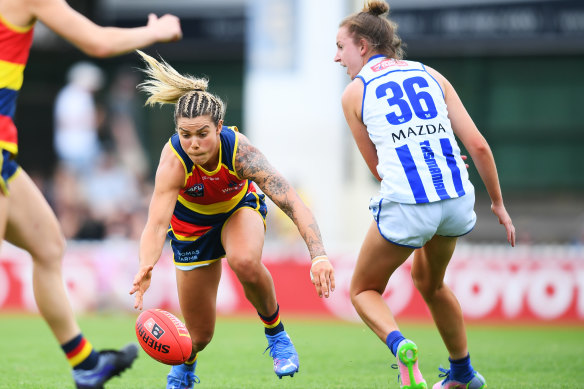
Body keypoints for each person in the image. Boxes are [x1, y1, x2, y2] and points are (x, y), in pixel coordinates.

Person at [0, 0, 182, 387]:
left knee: (48, 246)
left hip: (6, 156)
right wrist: (155, 31)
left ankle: (86, 364)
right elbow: (97, 42)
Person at [334, 1, 515, 388]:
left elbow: (379, 169)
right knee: (430, 282)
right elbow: (479, 147)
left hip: (410, 204)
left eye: (341, 47)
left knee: (364, 289)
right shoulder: (430, 74)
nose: (337, 57)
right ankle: (463, 373)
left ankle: (401, 348)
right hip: (456, 199)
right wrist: (498, 203)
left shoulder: (355, 92)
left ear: (363, 47)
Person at [129, 50, 335, 389]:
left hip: (237, 211)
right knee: (198, 337)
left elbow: (293, 202)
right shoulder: (173, 162)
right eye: (185, 134)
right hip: (191, 230)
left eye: (202, 134)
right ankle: (186, 366)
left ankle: (277, 336)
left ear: (219, 127)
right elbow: (155, 224)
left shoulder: (241, 152)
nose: (194, 144)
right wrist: (146, 264)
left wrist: (319, 255)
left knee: (244, 260)